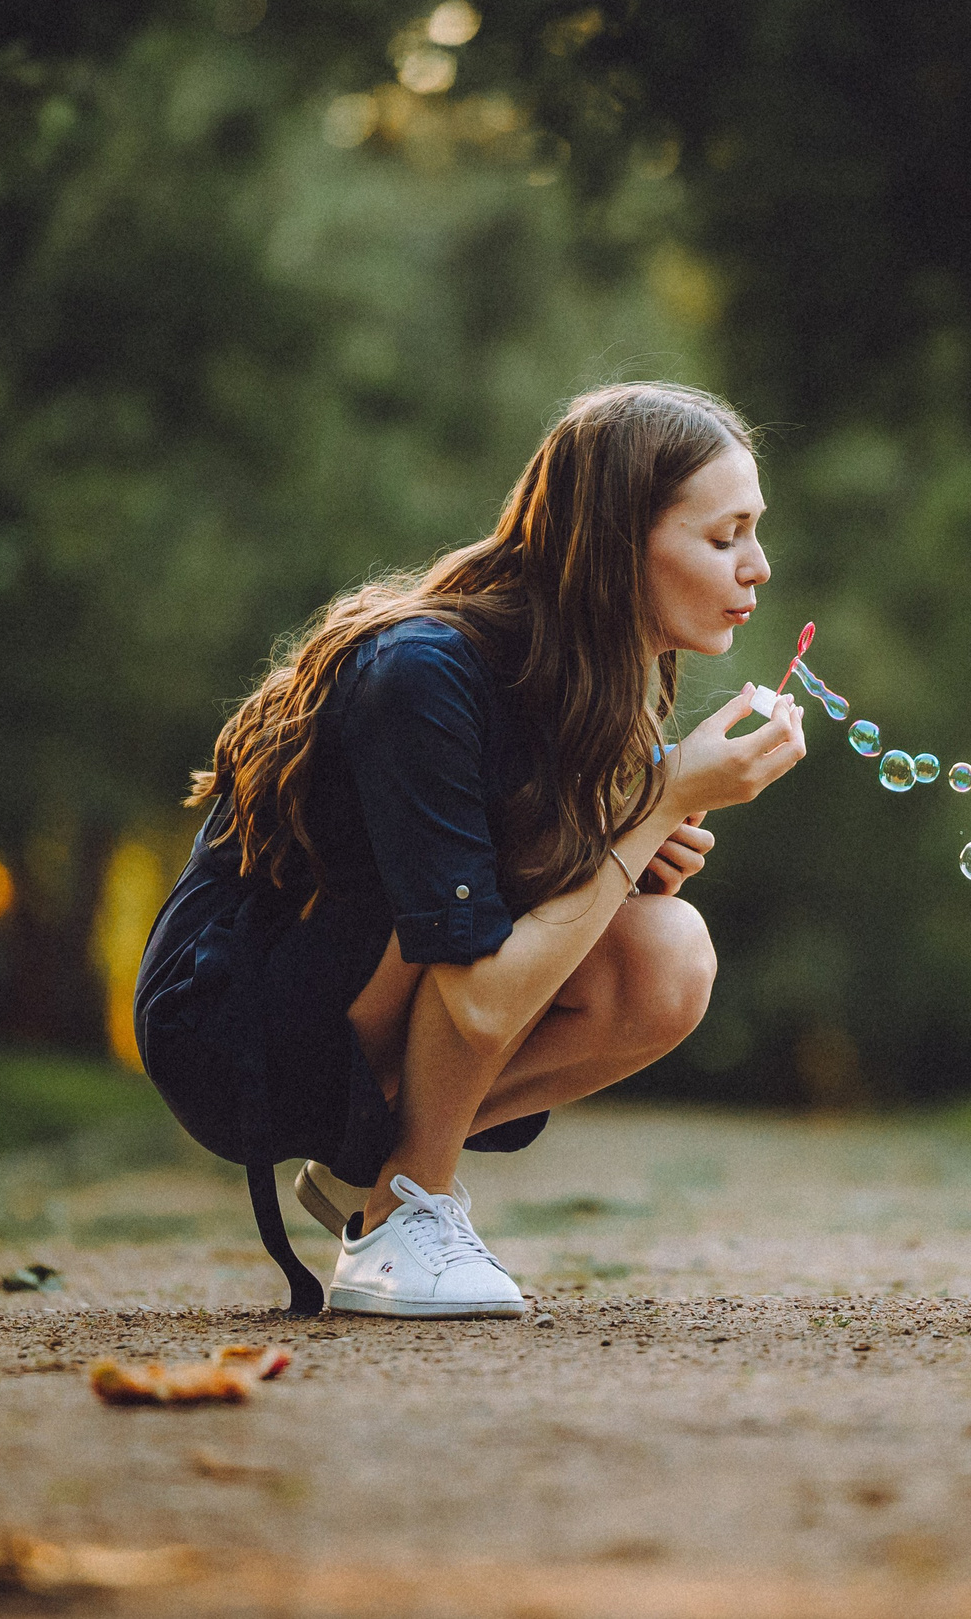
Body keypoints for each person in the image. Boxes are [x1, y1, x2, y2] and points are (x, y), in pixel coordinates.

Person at [134, 383, 806, 1316]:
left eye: (754, 532)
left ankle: (377, 1172)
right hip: (231, 1023)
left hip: (355, 1002)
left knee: (667, 956)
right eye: (726, 537)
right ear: (617, 545)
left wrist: (620, 841)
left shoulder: (587, 678)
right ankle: (406, 1209)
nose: (758, 566)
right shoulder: (427, 674)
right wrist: (657, 810)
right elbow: (481, 992)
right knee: (485, 907)